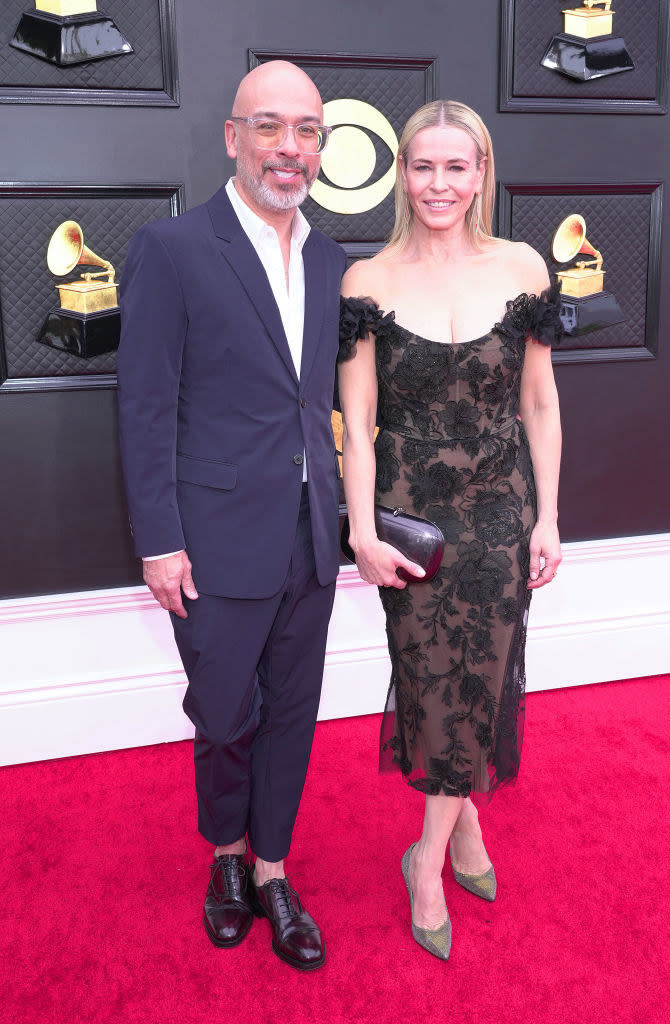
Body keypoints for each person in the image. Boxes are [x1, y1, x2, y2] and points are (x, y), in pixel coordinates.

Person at [117, 61, 347, 971]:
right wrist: (160, 540)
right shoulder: (172, 248)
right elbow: (143, 404)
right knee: (224, 712)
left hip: (311, 534)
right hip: (212, 538)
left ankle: (274, 871)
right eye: (270, 127)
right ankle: (224, 857)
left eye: (306, 131)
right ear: (232, 137)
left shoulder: (332, 260)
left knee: (293, 711)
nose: (288, 148)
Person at [337, 100, 562, 960]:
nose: (439, 183)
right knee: (432, 680)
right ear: (402, 174)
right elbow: (356, 423)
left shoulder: (522, 265)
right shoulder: (368, 279)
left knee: (482, 675)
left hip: (500, 507)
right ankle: (461, 830)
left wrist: (549, 515)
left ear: (481, 175)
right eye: (422, 167)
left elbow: (538, 401)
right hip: (411, 519)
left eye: (455, 167)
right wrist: (360, 528)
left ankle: (425, 856)